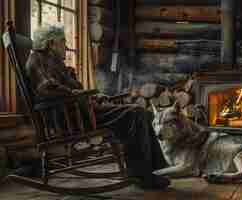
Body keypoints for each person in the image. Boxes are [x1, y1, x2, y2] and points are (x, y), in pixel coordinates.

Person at [25, 25, 170, 190]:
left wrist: (91, 96)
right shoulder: (38, 60)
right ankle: (142, 176)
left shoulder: (53, 62)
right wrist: (81, 94)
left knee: (143, 114)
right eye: (63, 41)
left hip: (81, 110)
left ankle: (156, 171)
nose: (66, 46)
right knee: (135, 114)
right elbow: (48, 89)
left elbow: (66, 90)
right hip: (70, 118)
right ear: (51, 43)